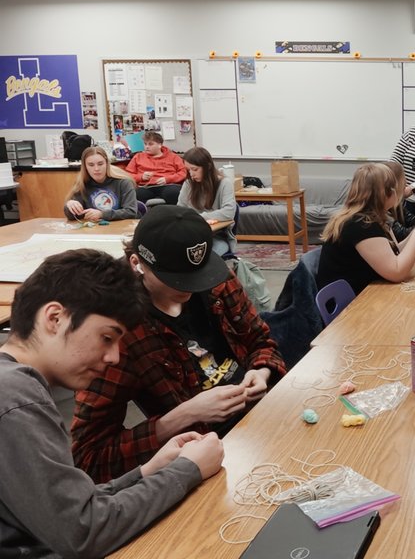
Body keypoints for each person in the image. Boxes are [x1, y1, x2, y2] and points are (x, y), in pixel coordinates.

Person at [0, 249, 223, 557]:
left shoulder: (12, 386)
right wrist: (188, 470)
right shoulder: (17, 399)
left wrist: (148, 471)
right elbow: (83, 532)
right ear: (55, 318)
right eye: (107, 338)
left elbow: (69, 508)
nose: (114, 357)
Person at [71, 206, 285, 483]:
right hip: (203, 450)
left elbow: (261, 341)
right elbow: (90, 458)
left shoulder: (212, 280)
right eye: (177, 279)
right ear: (137, 263)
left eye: (197, 276)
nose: (190, 288)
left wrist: (262, 371)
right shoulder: (118, 331)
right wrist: (184, 415)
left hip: (260, 418)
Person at [317, 163, 415, 294]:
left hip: (361, 291)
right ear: (386, 193)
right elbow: (396, 272)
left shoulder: (365, 217)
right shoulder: (361, 224)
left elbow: (393, 252)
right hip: (354, 301)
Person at [178, 146, 237, 255]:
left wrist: (199, 218)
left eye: (195, 169)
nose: (191, 174)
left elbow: (229, 212)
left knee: (203, 256)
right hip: (191, 235)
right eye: (188, 170)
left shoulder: (224, 183)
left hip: (216, 237)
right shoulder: (188, 184)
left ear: (208, 167)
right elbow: (179, 210)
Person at [64, 146, 138, 222]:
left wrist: (102, 214)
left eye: (100, 164)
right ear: (85, 167)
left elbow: (131, 212)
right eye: (91, 165)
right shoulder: (82, 184)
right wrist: (70, 206)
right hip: (95, 228)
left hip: (121, 227)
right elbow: (74, 216)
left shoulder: (124, 183)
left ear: (107, 164)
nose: (96, 169)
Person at [125, 130, 186, 205]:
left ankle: (173, 212)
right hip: (145, 187)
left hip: (168, 185)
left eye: (150, 144)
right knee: (135, 195)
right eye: (145, 144)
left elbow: (183, 172)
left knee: (174, 193)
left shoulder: (173, 157)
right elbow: (127, 175)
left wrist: (168, 179)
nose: (147, 147)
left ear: (159, 145)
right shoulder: (138, 157)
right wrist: (141, 177)